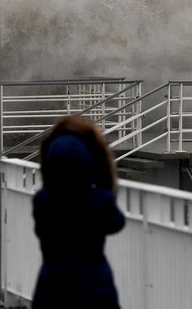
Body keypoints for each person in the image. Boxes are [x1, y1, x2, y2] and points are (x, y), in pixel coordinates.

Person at [32, 116, 126, 309]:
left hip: (51, 286)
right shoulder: (100, 201)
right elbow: (116, 223)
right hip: (95, 287)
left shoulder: (42, 201)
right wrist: (105, 181)